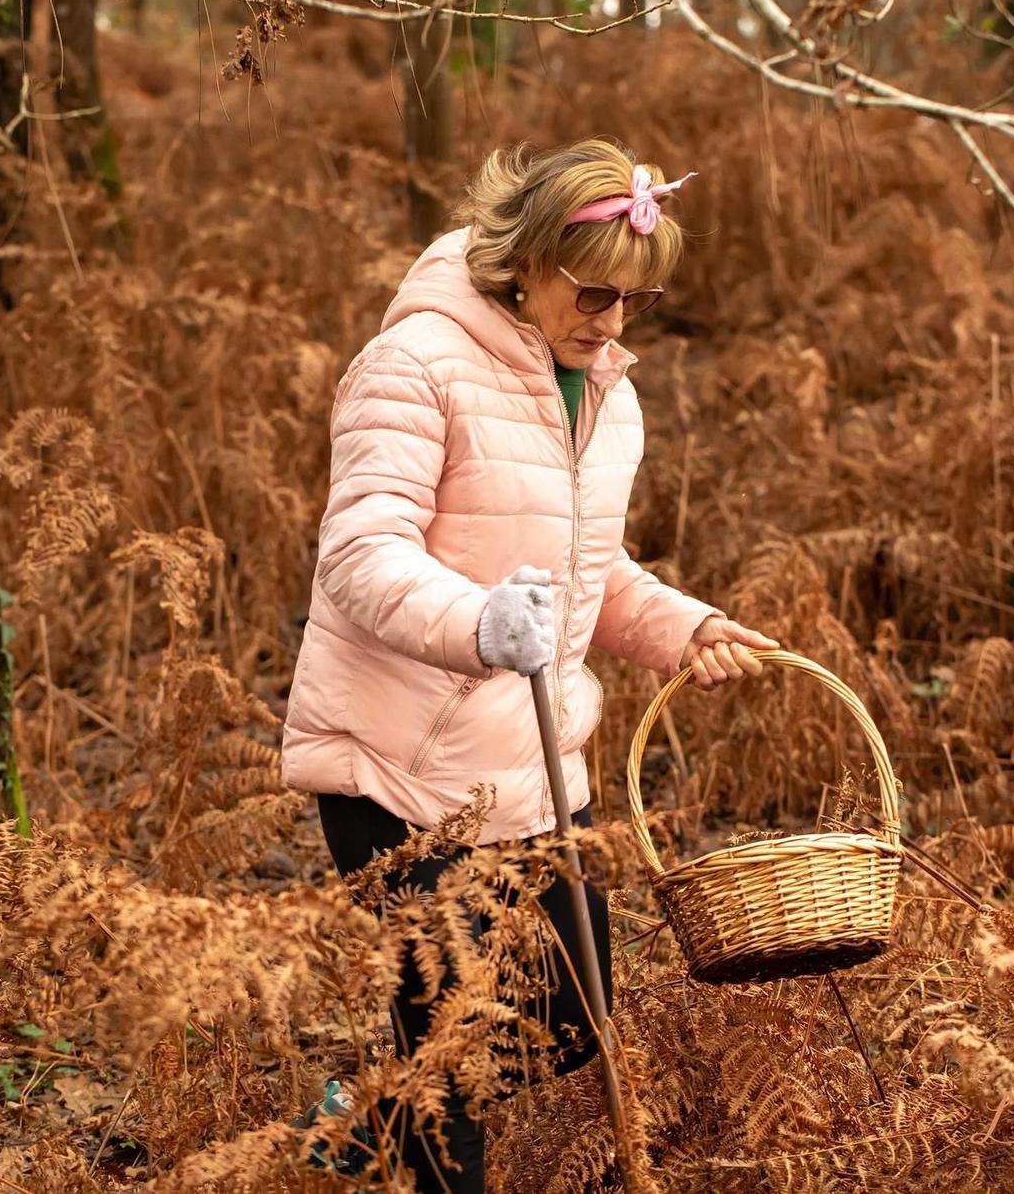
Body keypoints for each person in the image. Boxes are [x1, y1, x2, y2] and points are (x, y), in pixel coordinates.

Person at [280, 138, 778, 1190]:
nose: (607, 324)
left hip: (532, 765)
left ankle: (364, 1116)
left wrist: (681, 627)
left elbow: (579, 565)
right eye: (591, 293)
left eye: (632, 303)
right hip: (396, 766)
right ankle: (415, 1125)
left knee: (572, 1011)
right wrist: (479, 624)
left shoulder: (605, 394)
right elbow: (361, 554)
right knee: (452, 1041)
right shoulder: (413, 364)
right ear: (525, 260)